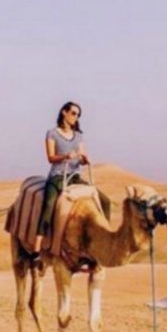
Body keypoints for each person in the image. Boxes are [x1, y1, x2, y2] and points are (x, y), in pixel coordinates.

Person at [31, 102, 111, 262]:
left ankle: (104, 237)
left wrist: (84, 159)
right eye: (74, 113)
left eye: (78, 114)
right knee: (49, 205)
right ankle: (37, 246)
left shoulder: (78, 136)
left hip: (75, 176)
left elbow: (81, 156)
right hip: (58, 176)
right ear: (64, 113)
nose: (76, 117)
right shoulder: (52, 133)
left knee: (105, 201)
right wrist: (66, 156)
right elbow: (50, 157)